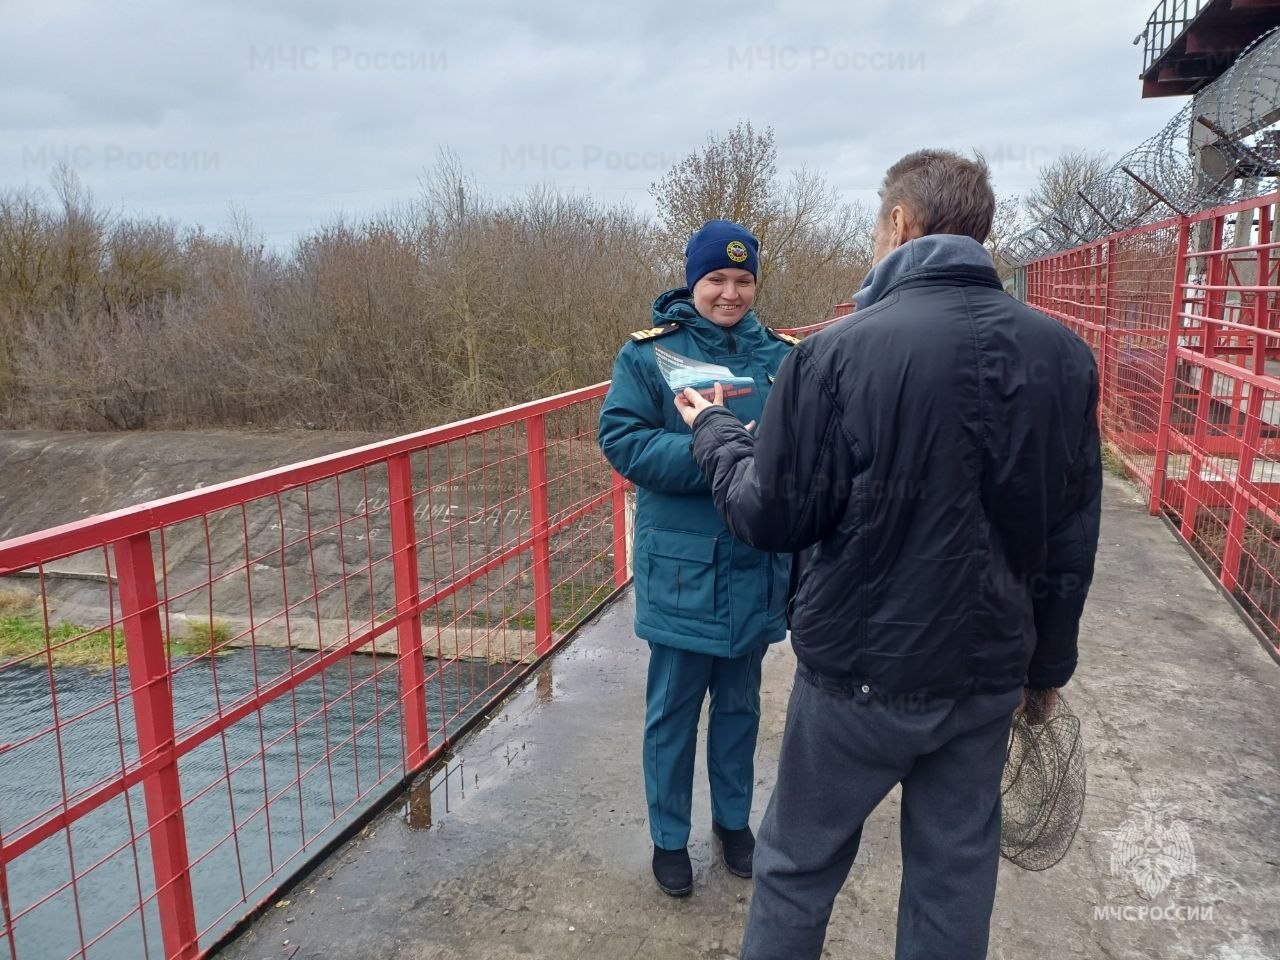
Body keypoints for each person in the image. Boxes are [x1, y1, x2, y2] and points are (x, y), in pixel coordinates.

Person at [675, 151, 1102, 959]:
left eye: (877, 225)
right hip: (985, 676)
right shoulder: (1063, 355)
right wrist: (1045, 669)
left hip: (857, 677)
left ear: (900, 223)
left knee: (797, 869)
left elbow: (769, 514)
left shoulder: (835, 353)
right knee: (953, 880)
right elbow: (1071, 535)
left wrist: (715, 433)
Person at [597, 220, 797, 897]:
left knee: (740, 706)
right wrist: (714, 448)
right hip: (684, 567)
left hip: (754, 564)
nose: (730, 293)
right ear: (693, 281)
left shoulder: (782, 357)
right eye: (716, 279)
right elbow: (622, 439)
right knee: (674, 711)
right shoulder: (649, 355)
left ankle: (734, 822)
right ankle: (668, 837)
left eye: (743, 280)